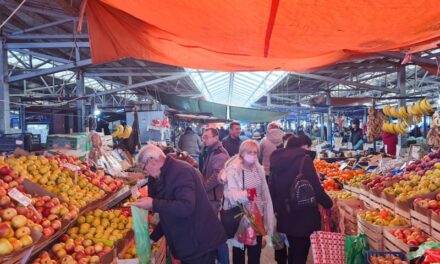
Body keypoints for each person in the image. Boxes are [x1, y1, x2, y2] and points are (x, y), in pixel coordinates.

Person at [133, 144, 226, 264]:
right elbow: (169, 213)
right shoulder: (164, 175)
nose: (145, 172)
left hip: (199, 244)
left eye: (144, 167)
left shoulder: (181, 171)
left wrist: (153, 203)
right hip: (189, 243)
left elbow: (185, 207)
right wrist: (153, 237)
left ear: (152, 161)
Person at [269, 136, 333, 264]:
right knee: (301, 251)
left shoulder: (276, 160)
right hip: (303, 213)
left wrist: (276, 209)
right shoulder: (304, 159)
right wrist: (329, 203)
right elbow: (315, 187)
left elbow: (272, 187)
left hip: (284, 212)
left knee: (293, 246)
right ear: (303, 146)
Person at [219, 140, 275, 264]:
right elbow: (231, 195)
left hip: (257, 217)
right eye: (250, 152)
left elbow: (264, 192)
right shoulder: (234, 170)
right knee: (239, 252)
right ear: (242, 153)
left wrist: (266, 214)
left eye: (255, 152)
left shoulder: (258, 168)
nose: (253, 155)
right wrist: (249, 194)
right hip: (241, 217)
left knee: (255, 253)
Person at [201, 128, 230, 264]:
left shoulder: (219, 154)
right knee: (214, 232)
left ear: (216, 137)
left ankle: (223, 261)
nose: (204, 139)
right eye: (203, 137)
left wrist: (203, 187)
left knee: (217, 234)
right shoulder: (211, 151)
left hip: (215, 198)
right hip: (212, 197)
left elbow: (217, 176)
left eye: (207, 137)